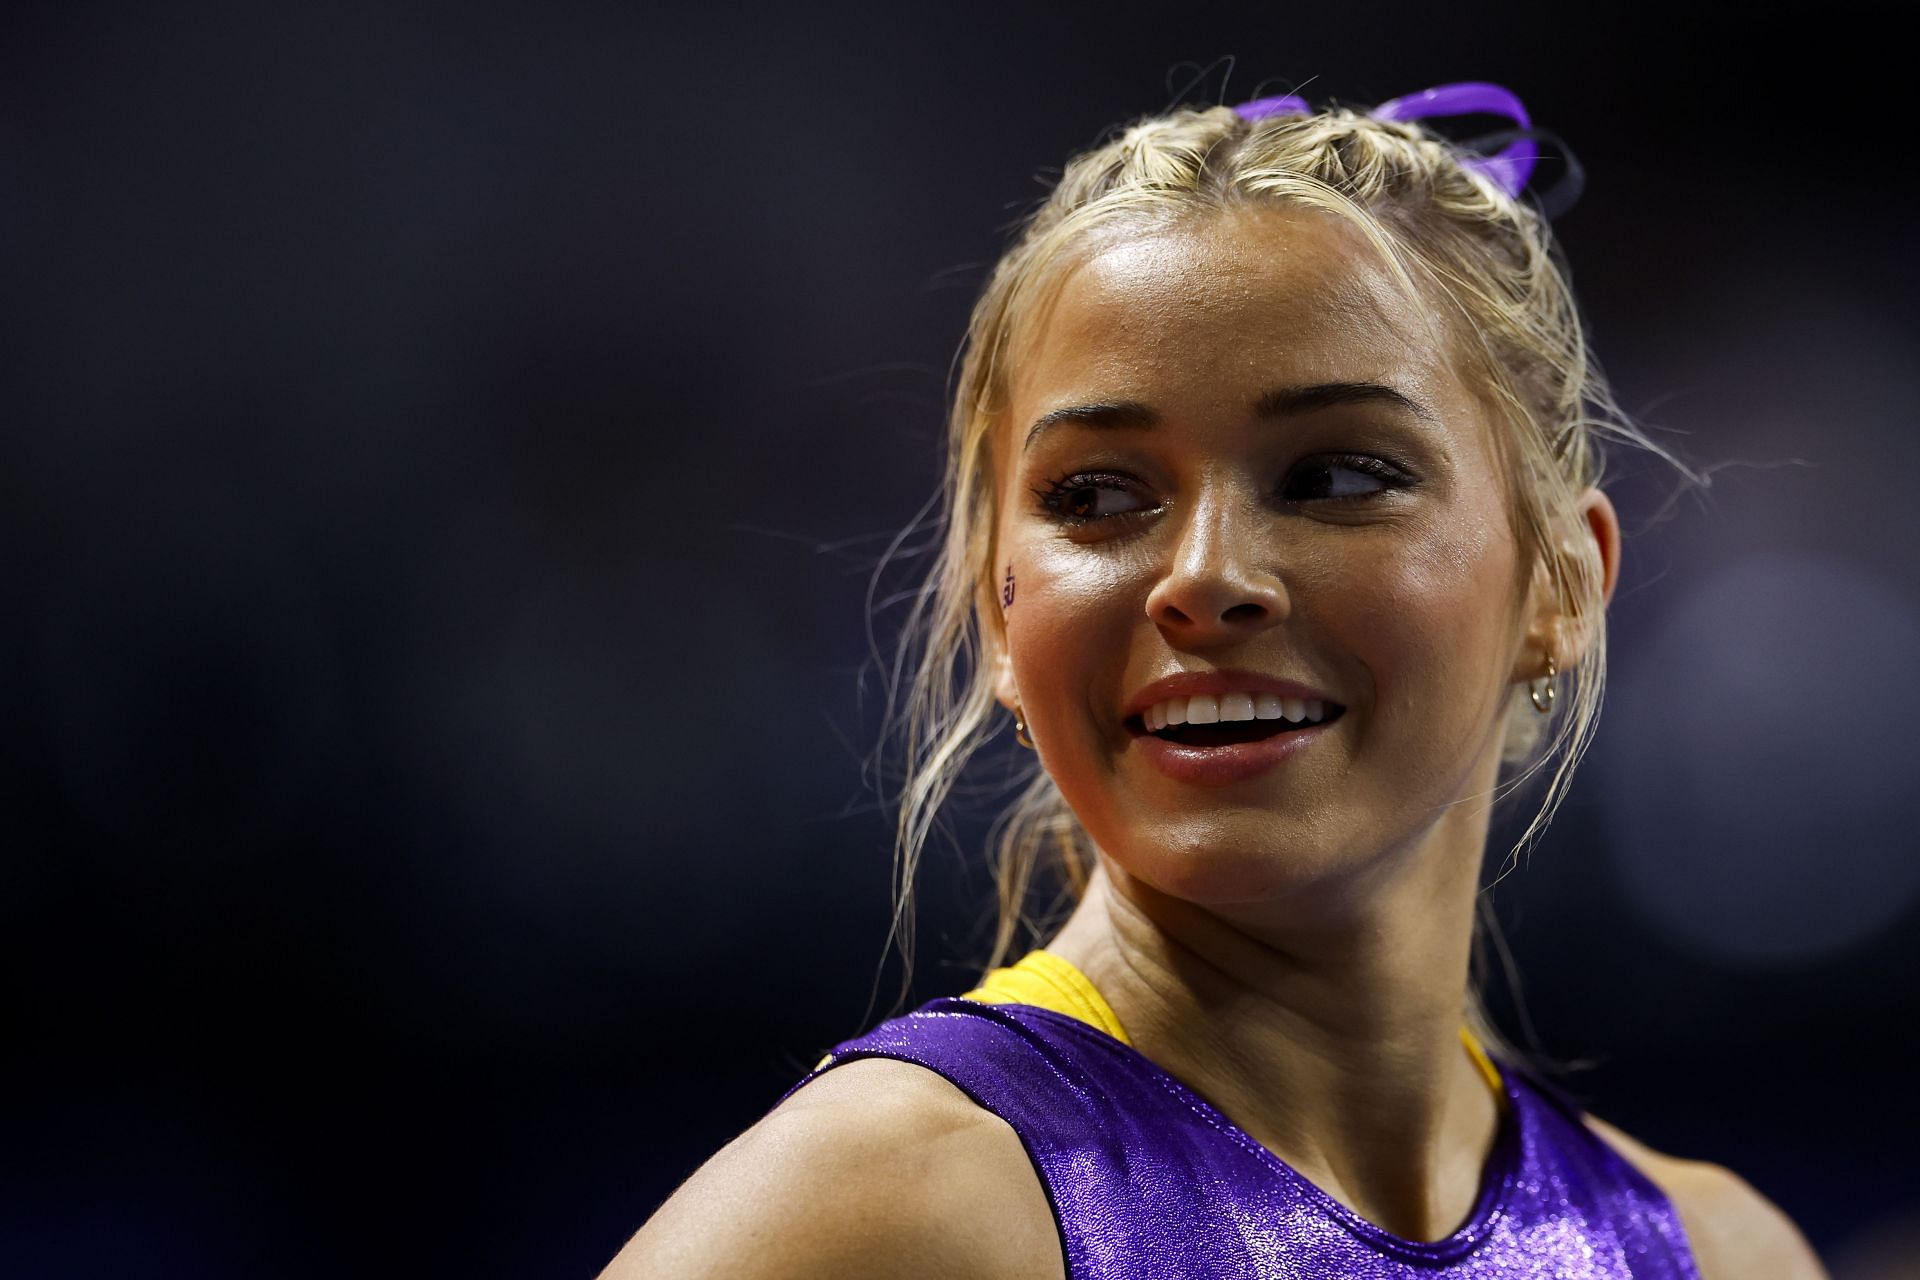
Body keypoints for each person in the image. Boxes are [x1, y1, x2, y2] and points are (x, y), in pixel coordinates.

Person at [604, 84, 1828, 1279]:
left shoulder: (1719, 1251)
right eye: (1096, 494)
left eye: (1338, 477)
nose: (1205, 577)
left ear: (1562, 581)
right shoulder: (884, 1212)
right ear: (998, 610)